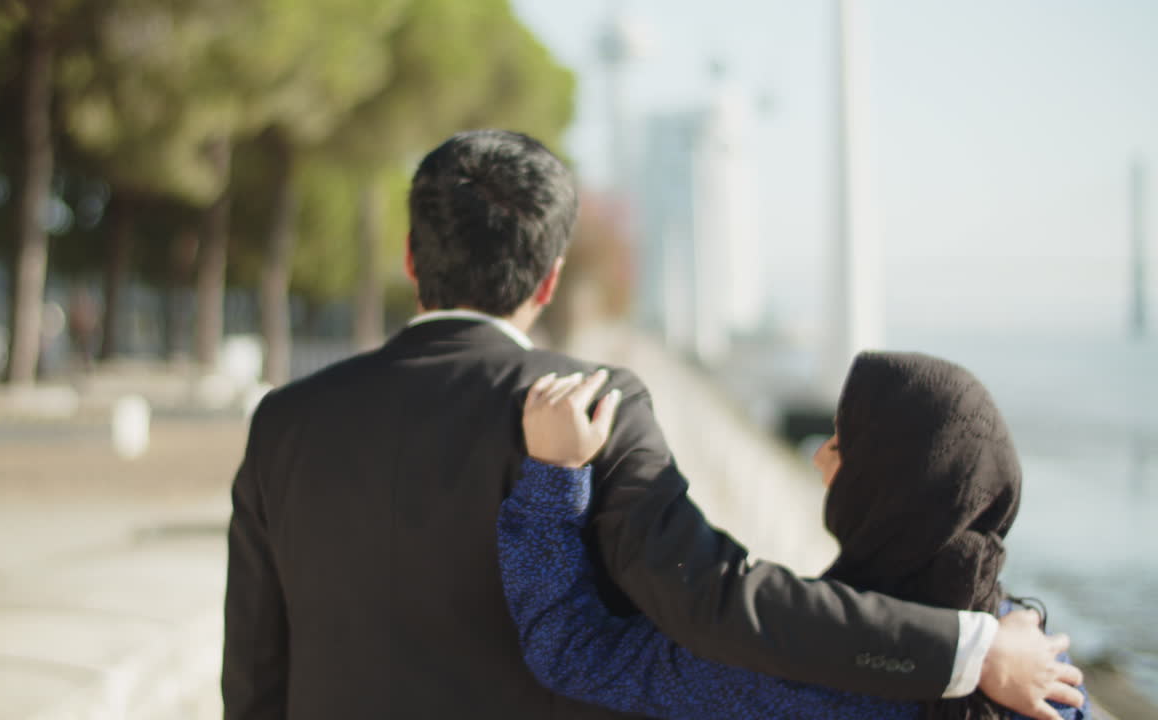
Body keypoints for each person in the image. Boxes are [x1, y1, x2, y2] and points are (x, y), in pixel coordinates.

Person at [221, 130, 1083, 719]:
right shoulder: (597, 401)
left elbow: (254, 670)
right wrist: (965, 651)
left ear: (412, 259)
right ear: (551, 278)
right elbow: (710, 600)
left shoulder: (285, 422)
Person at [503, 353, 1088, 719]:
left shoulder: (776, 675)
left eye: (841, 445)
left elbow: (576, 652)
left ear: (882, 489)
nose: (819, 461)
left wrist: (554, 476)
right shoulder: (1042, 674)